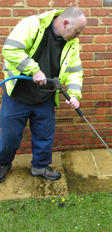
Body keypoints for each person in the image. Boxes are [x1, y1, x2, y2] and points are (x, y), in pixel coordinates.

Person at [0, 7, 87, 182]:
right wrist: (34, 70)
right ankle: (2, 163)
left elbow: (74, 70)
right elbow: (10, 50)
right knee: (10, 136)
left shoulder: (71, 42)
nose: (78, 36)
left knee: (44, 136)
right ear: (65, 23)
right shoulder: (32, 25)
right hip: (18, 95)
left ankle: (40, 166)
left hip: (45, 98)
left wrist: (74, 94)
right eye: (77, 31)